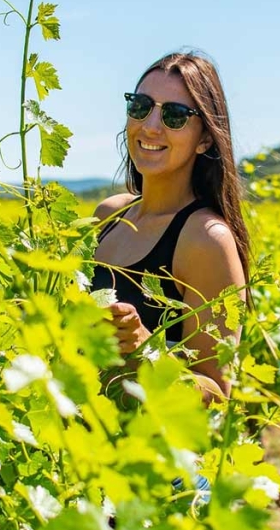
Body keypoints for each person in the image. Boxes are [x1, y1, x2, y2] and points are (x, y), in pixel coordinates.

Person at [91, 50, 251, 405]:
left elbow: (217, 394)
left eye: (175, 115)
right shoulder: (107, 215)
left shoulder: (206, 240)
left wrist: (143, 349)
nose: (150, 126)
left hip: (141, 453)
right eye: (141, 106)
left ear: (205, 139)